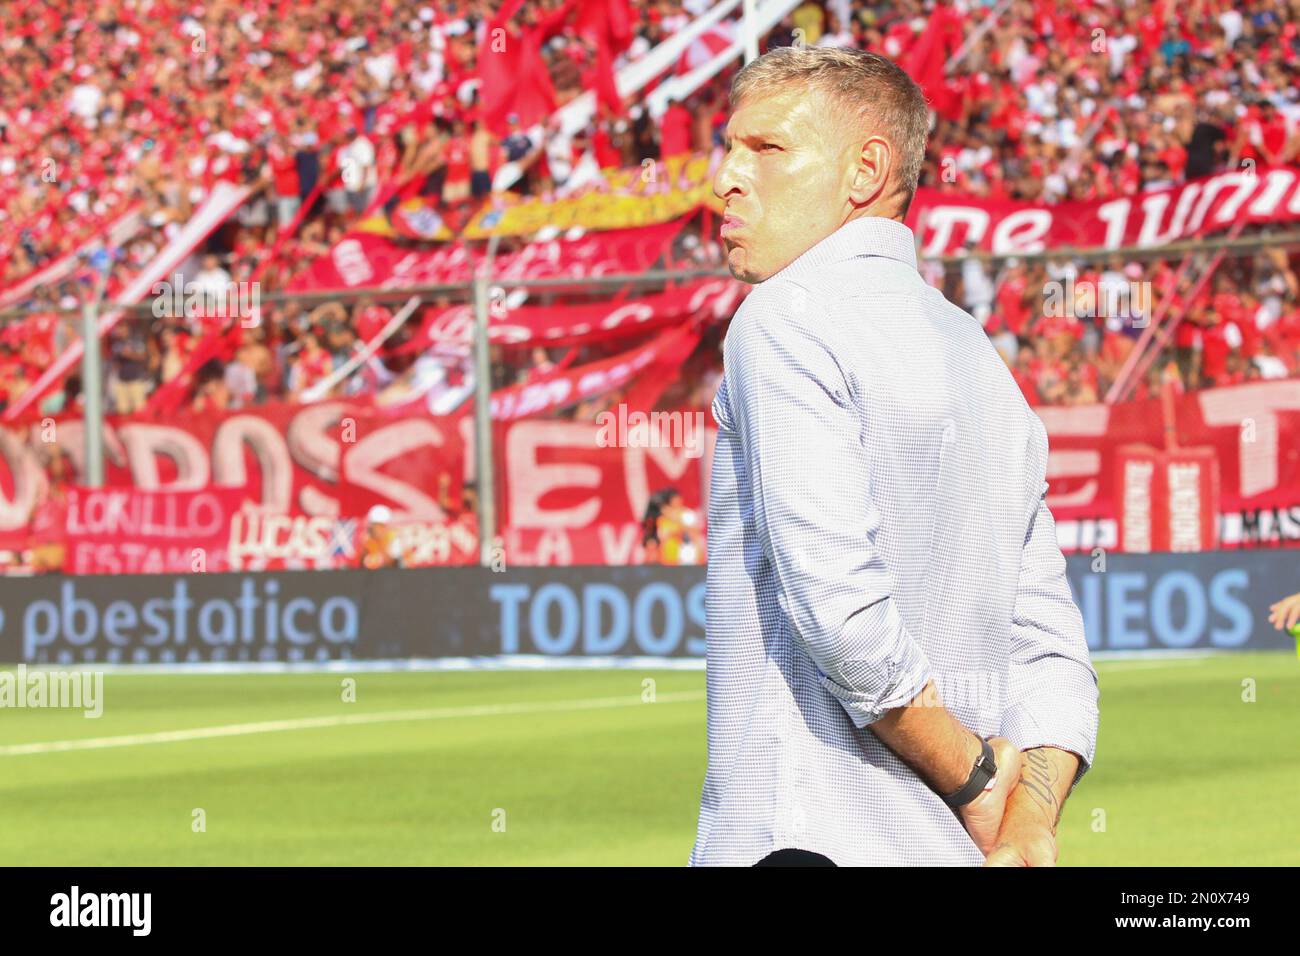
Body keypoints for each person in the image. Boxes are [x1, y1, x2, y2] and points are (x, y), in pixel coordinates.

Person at [693, 46, 1099, 868]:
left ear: (865, 170)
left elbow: (841, 615)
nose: (725, 178)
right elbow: (1054, 655)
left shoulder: (782, 317)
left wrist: (980, 783)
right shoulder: (984, 360)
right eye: (730, 147)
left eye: (766, 148)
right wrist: (1030, 819)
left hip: (807, 839)